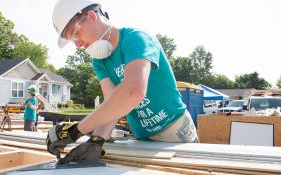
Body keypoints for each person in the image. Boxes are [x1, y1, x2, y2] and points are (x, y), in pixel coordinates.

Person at [47, 0, 198, 164]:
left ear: (91, 16)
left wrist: (76, 130)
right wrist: (96, 140)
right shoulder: (99, 61)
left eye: (75, 34)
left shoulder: (137, 39)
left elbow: (133, 92)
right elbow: (113, 106)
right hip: (143, 137)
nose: (77, 44)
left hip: (175, 130)